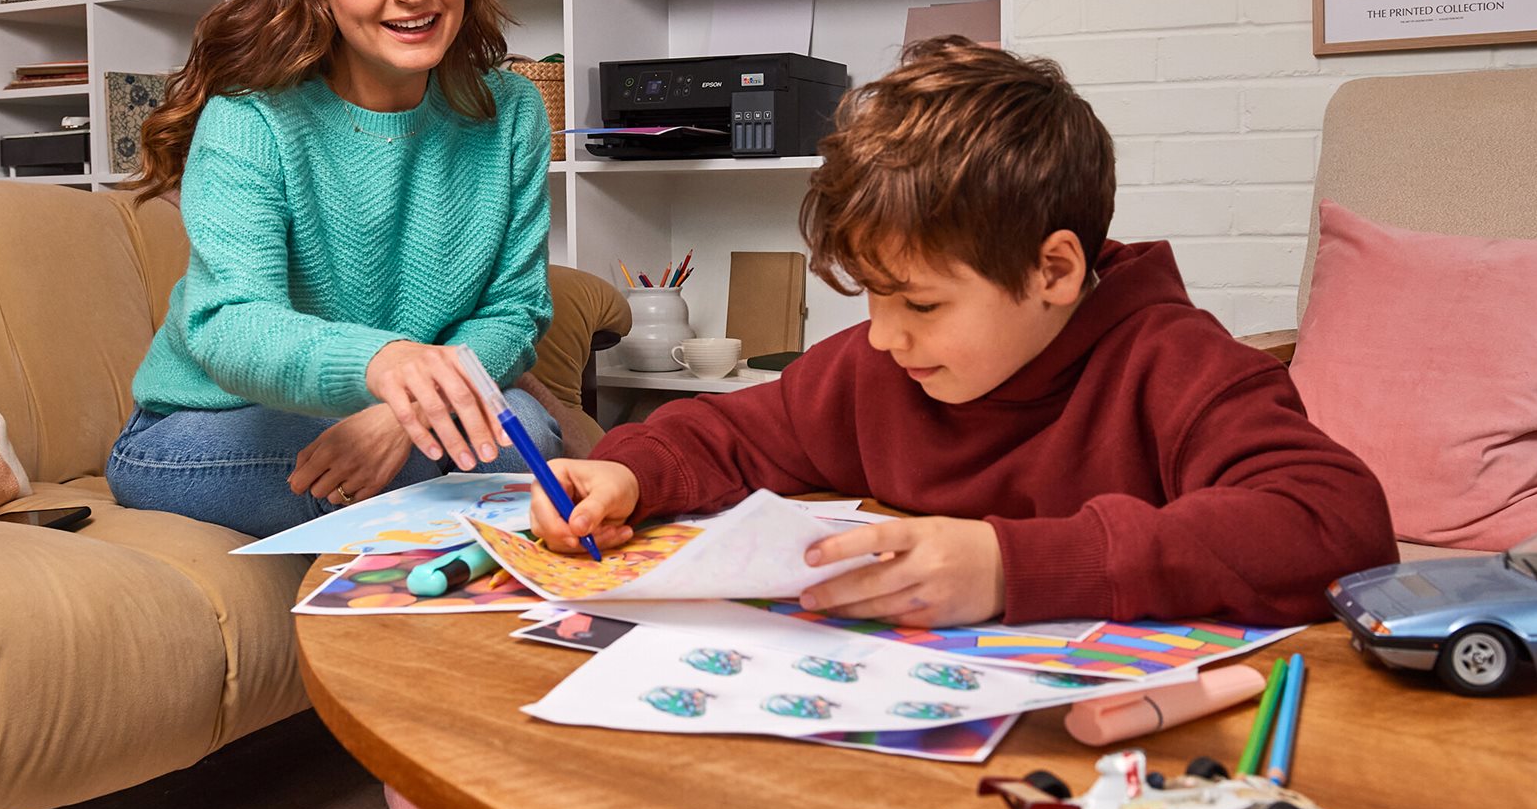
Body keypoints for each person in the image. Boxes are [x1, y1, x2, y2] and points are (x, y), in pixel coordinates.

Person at [527, 37, 1397, 630]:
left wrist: (1009, 567)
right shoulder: (882, 369)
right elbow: (732, 433)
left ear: (1053, 272)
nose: (881, 338)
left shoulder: (1172, 365)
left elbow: (1335, 522)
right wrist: (628, 473)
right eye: (872, 297)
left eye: (921, 304)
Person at [108, 0, 558, 809]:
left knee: (531, 434)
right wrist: (385, 366)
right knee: (521, 450)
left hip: (394, 418)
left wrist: (400, 411)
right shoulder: (252, 120)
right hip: (197, 433)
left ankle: (514, 732)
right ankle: (435, 763)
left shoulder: (510, 114)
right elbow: (229, 324)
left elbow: (516, 307)